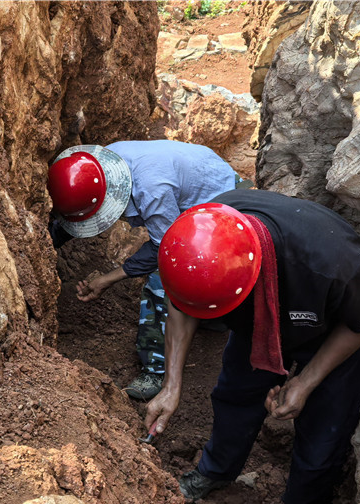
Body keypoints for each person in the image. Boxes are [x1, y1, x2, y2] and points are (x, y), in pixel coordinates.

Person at [144, 189, 360, 504]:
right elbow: (184, 305)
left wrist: (304, 382)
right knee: (235, 395)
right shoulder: (195, 238)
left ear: (249, 276)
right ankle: (215, 472)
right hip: (256, 324)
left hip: (329, 331)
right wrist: (171, 383)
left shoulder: (336, 265)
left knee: (326, 422)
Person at [48, 140, 245, 400]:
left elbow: (163, 249)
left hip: (226, 207)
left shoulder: (152, 190)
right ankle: (207, 313)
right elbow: (76, 207)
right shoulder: (101, 164)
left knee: (166, 278)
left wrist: (108, 279)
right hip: (207, 181)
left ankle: (155, 369)